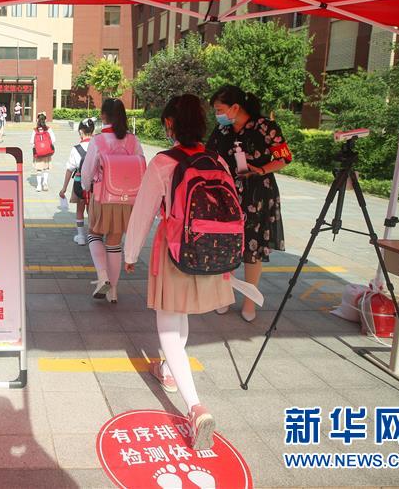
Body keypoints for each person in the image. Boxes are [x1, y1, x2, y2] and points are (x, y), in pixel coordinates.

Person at [124, 94, 234, 451]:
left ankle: (195, 407)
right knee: (180, 316)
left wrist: (129, 253)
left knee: (167, 325)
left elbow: (142, 214)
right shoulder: (217, 159)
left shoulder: (163, 163)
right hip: (212, 253)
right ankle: (169, 372)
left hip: (174, 250)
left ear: (170, 124)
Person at [206, 85, 291, 322]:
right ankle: (223, 296)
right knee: (227, 245)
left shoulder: (265, 127)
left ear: (235, 107)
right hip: (227, 193)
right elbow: (209, 155)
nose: (218, 114)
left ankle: (249, 302)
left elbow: (285, 157)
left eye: (220, 109)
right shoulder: (222, 129)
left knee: (252, 250)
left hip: (257, 194)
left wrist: (261, 169)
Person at [80, 98, 146, 303]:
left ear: (103, 116)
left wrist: (85, 187)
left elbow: (87, 173)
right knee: (115, 244)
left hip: (103, 197)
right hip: (128, 200)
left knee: (93, 234)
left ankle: (102, 277)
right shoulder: (133, 140)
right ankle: (114, 291)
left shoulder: (98, 141)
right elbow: (142, 166)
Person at [59, 118, 94, 245]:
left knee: (80, 209)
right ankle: (93, 236)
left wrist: (64, 188)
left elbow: (70, 169)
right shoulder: (98, 146)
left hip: (80, 183)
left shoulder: (76, 149)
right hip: (96, 185)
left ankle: (80, 237)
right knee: (92, 211)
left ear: (80, 132)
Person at [31, 113, 56, 192]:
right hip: (47, 152)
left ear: (37, 120)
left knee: (39, 169)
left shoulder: (35, 130)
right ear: (45, 120)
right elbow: (54, 140)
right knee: (46, 169)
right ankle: (45, 183)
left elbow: (31, 141)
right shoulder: (48, 129)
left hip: (38, 153)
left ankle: (38, 185)